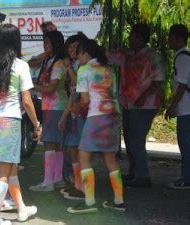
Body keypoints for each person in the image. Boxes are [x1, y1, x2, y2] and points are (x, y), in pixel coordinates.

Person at [0, 24, 41, 225]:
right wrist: (37, 124)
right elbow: (27, 101)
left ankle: (21, 209)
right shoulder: (21, 66)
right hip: (10, 121)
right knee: (3, 174)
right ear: (16, 41)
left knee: (10, 168)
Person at [67, 39, 125, 214]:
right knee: (110, 158)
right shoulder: (108, 69)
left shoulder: (84, 70)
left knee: (83, 155)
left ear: (85, 54)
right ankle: (119, 201)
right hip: (113, 116)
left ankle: (89, 202)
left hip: (96, 117)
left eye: (79, 55)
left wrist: (74, 109)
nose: (78, 58)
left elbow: (84, 100)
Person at [108, 23, 165, 187]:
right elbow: (108, 57)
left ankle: (143, 176)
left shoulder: (153, 56)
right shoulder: (126, 54)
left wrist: (143, 96)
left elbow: (158, 81)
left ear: (140, 37)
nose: (129, 39)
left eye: (132, 36)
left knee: (136, 140)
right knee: (129, 138)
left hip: (146, 105)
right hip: (127, 104)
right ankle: (134, 172)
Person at [29, 30, 68, 192]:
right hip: (53, 105)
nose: (45, 46)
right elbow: (31, 63)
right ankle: (57, 178)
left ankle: (48, 181)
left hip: (54, 106)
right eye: (44, 42)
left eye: (47, 43)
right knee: (56, 143)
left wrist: (32, 86)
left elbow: (51, 88)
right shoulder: (50, 60)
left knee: (50, 142)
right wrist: (44, 54)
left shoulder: (58, 63)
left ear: (56, 44)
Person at [58, 34, 88, 200]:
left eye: (74, 47)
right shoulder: (77, 64)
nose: (71, 50)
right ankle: (77, 185)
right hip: (75, 110)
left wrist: (69, 69)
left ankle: (82, 189)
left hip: (81, 111)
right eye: (68, 47)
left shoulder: (81, 67)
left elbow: (77, 88)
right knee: (71, 149)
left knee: (76, 150)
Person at [166, 24, 190, 189]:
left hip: (186, 107)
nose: (168, 40)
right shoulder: (183, 56)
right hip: (186, 107)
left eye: (171, 37)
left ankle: (187, 179)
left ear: (179, 39)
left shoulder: (182, 57)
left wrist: (173, 106)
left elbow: (181, 85)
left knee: (185, 143)